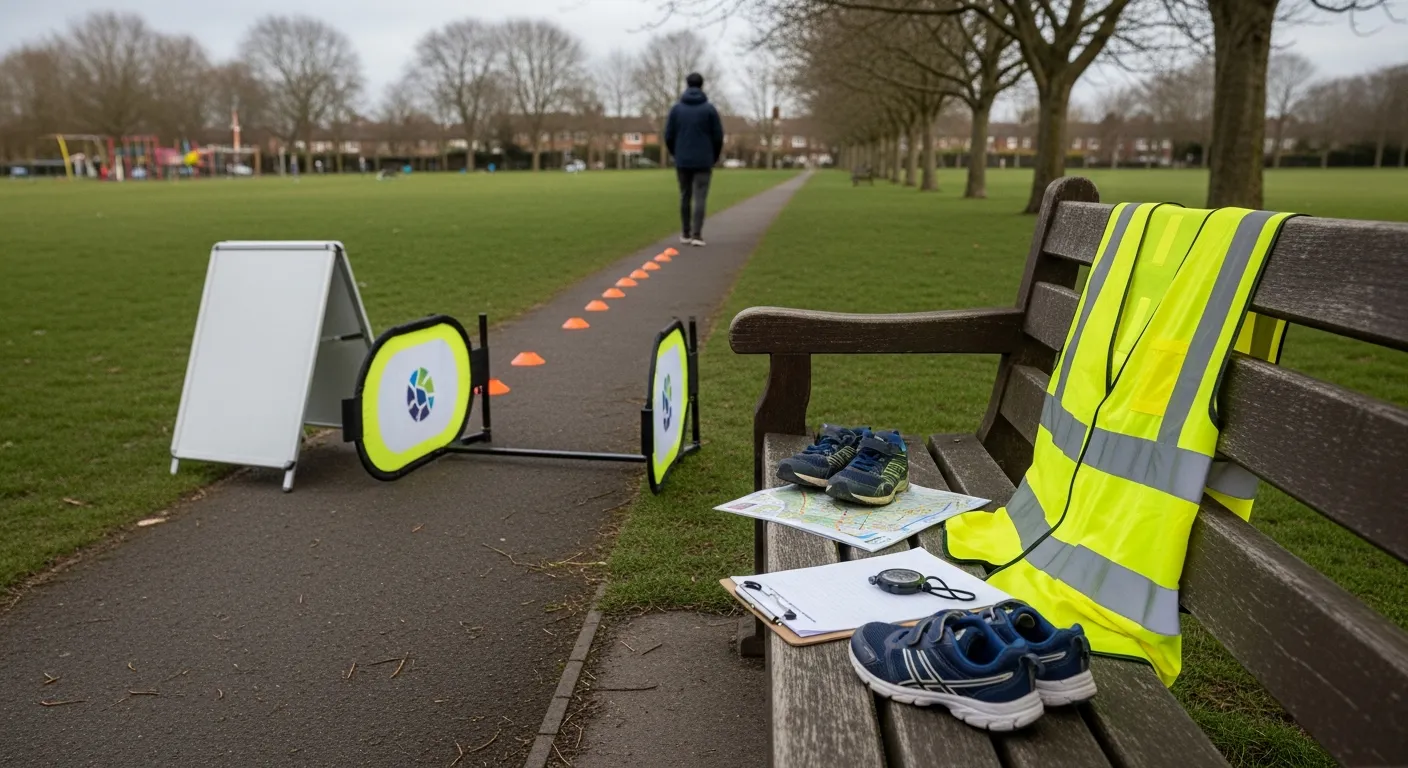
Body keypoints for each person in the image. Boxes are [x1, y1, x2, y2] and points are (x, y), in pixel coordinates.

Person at [665, 72, 724, 247]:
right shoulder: (709, 109)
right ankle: (697, 235)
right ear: (702, 85)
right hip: (704, 160)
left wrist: (675, 153)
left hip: (683, 159)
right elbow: (718, 136)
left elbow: (668, 135)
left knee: (685, 195)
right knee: (700, 197)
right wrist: (714, 156)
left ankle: (685, 233)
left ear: (687, 85)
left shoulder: (676, 110)